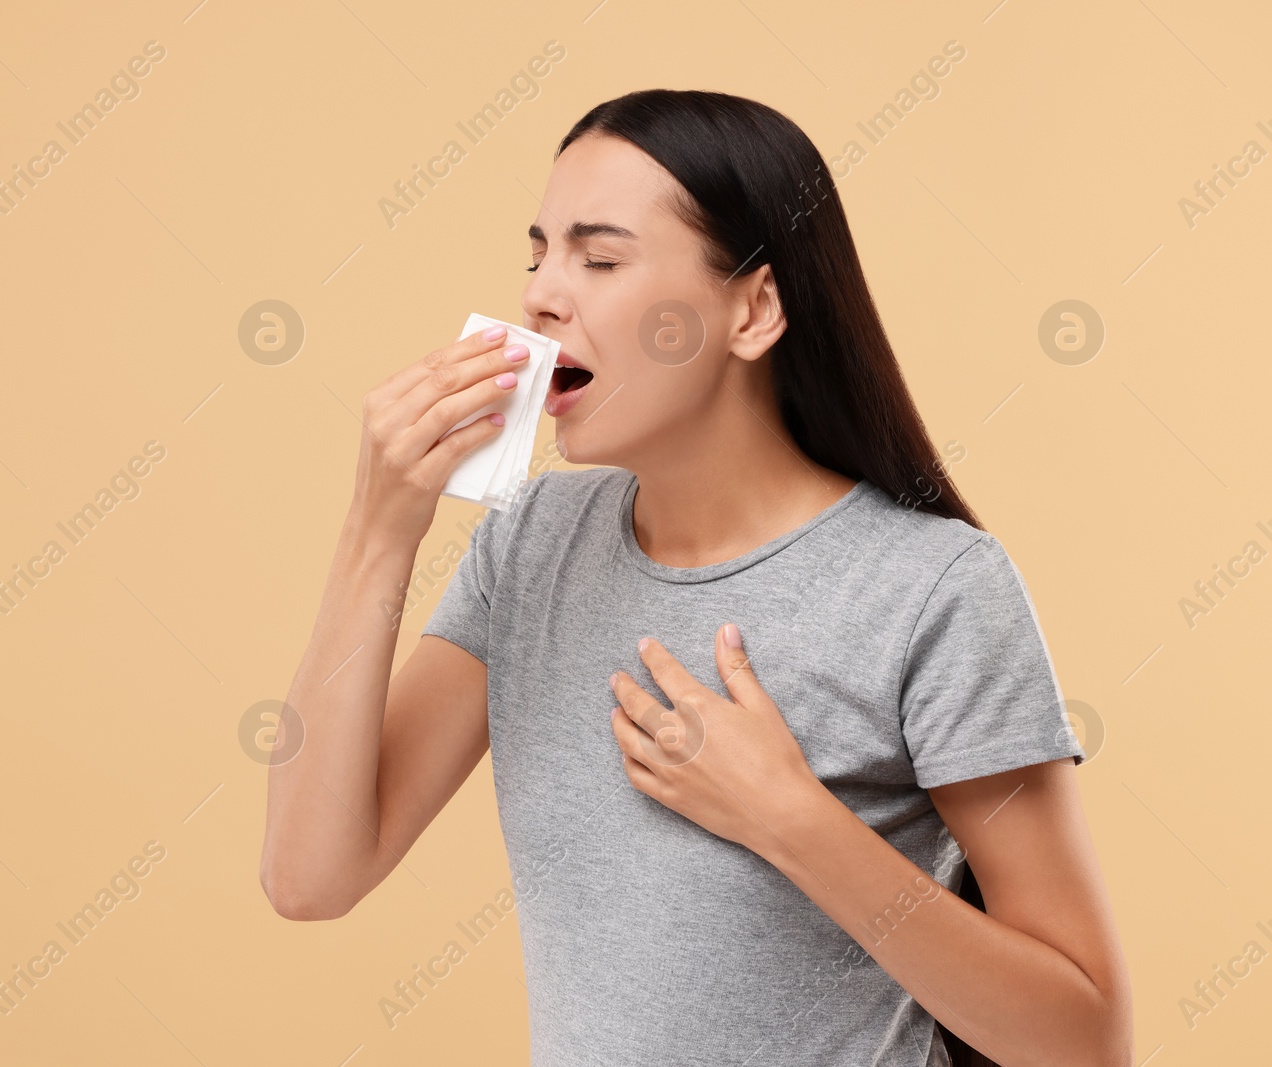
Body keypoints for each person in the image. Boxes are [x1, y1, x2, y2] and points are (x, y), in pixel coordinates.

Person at [260, 89, 1133, 1067]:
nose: (543, 293)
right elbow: (310, 876)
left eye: (598, 256)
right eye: (537, 253)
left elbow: (1083, 1040)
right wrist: (378, 530)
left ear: (753, 308)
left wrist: (792, 820)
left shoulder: (935, 589)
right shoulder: (533, 542)